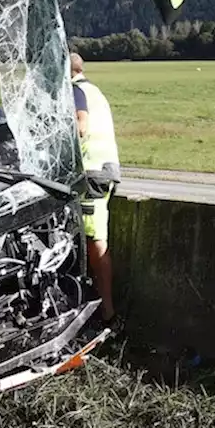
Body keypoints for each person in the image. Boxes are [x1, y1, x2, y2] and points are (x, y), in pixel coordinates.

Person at [70, 52, 122, 323]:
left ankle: (107, 313)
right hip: (104, 170)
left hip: (91, 173)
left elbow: (80, 126)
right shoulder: (95, 91)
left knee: (94, 240)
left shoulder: (75, 91)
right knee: (89, 238)